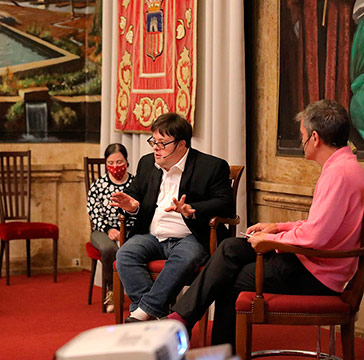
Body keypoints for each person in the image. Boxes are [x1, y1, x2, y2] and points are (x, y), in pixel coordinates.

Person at [167, 99, 364, 349]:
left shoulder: (339, 174)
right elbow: (322, 224)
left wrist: (271, 242)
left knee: (231, 280)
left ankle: (212, 344)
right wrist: (277, 228)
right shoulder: (344, 167)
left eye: (301, 135)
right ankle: (183, 319)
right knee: (230, 248)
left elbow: (316, 237)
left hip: (317, 273)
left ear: (315, 138)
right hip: (313, 261)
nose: (300, 141)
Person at [110, 112, 235, 322]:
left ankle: (141, 313)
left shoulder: (211, 166)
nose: (156, 148)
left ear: (181, 145)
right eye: (154, 142)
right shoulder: (147, 163)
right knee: (125, 254)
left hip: (191, 236)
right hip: (152, 236)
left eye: (162, 143)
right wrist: (132, 206)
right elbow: (134, 194)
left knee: (185, 258)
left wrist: (192, 209)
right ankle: (154, 314)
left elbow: (226, 204)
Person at [87, 143, 135, 312]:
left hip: (130, 229)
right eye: (111, 163)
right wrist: (109, 229)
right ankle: (112, 291)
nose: (116, 167)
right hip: (103, 230)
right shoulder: (98, 186)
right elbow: (94, 214)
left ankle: (140, 296)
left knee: (138, 247)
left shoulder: (135, 184)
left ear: (127, 162)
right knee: (109, 249)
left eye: (119, 162)